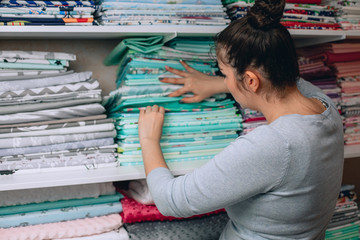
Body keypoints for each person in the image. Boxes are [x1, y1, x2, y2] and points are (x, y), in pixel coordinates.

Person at [137, 0, 345, 239]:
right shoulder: (325, 107)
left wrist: (148, 139)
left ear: (250, 81)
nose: (224, 81)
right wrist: (216, 84)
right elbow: (292, 82)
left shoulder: (275, 145)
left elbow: (170, 200)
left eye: (223, 75)